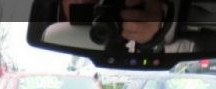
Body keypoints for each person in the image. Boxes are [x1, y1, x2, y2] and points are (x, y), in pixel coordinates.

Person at [42, 0, 195, 53]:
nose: (82, 2)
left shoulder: (135, 13)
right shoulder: (51, 33)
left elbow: (187, 47)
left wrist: (157, 35)